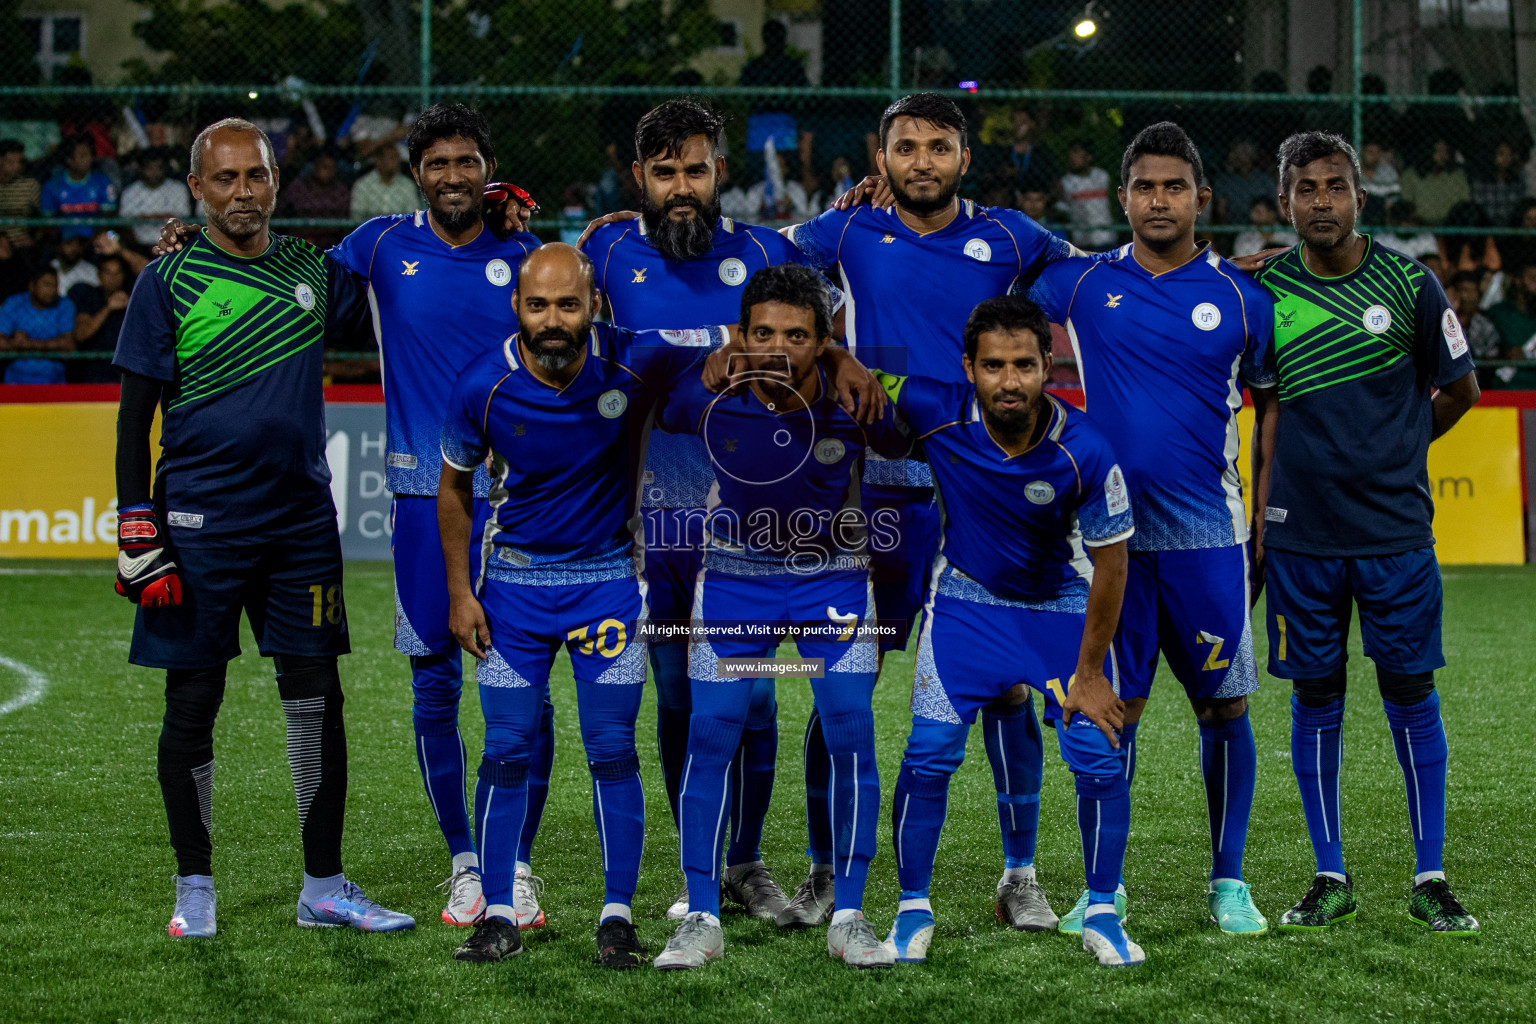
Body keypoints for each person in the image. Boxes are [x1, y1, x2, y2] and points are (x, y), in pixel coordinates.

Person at [154, 103, 546, 930]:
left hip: (523, 502)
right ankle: (465, 866)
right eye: (436, 163)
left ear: (489, 168)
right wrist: (194, 249)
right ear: (414, 173)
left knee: (523, 691)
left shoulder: (530, 254)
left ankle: (519, 864)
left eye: (467, 162)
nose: (452, 176)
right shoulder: (376, 247)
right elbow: (268, 266)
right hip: (417, 498)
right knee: (434, 687)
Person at [111, 117, 413, 939]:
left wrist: (495, 227)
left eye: (256, 176)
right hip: (196, 527)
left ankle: (323, 886)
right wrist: (135, 527)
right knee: (193, 703)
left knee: (318, 702)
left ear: (277, 181)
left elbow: (406, 280)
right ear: (197, 190)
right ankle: (195, 887)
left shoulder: (308, 268)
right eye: (225, 179)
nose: (242, 192)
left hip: (300, 526)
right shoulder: (166, 281)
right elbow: (133, 418)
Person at [787, 93, 1078, 931]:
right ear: (881, 160)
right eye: (905, 147)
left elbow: (1092, 277)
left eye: (938, 146)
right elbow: (762, 271)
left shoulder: (1013, 238)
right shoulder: (846, 232)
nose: (922, 162)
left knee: (1010, 689)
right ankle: (819, 867)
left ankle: (1019, 873)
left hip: (980, 500)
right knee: (843, 685)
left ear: (963, 157)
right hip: (869, 496)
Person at [581, 99, 852, 924]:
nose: (682, 187)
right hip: (654, 526)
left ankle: (745, 860)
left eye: (695, 169)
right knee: (674, 698)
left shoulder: (771, 253)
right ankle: (698, 860)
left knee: (759, 700)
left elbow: (828, 335)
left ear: (720, 171)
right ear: (639, 180)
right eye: (664, 173)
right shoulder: (605, 252)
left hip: (750, 525)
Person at [436, 244, 724, 969]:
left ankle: (616, 918)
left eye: (569, 304)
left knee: (611, 751)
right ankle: (498, 913)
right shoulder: (482, 384)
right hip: (513, 590)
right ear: (517, 308)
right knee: (505, 750)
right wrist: (460, 592)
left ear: (595, 305)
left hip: (606, 586)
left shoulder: (636, 358)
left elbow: (734, 339)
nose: (554, 320)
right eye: (539, 305)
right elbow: (453, 489)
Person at [1027, 121, 1276, 937]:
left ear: (1203, 197)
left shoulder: (1248, 299)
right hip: (1113, 549)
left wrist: (1266, 526)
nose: (1159, 200)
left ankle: (1229, 883)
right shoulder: (1082, 284)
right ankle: (1105, 891)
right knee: (1109, 710)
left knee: (1226, 711)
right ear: (1121, 197)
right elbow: (986, 270)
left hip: (1210, 543)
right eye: (1144, 187)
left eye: (1174, 186)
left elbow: (1271, 417)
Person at [1253, 131, 1481, 936]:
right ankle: (1330, 873)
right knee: (1316, 699)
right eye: (1305, 188)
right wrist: (1259, 525)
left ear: (1360, 195)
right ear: (1284, 202)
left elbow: (1461, 390)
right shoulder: (1267, 290)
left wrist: (1399, 447)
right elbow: (1268, 418)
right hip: (1302, 538)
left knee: (1410, 693)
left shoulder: (1411, 284)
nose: (1321, 200)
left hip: (1395, 535)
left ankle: (1431, 874)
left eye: (1335, 186)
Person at [652, 264, 904, 970]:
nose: (776, 348)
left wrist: (856, 368)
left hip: (835, 580)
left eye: (797, 335)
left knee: (853, 734)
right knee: (711, 738)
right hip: (735, 580)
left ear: (824, 341)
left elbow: (904, 440)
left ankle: (849, 915)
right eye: (761, 332)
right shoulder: (706, 397)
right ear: (741, 334)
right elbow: (651, 403)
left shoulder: (854, 395)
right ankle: (701, 915)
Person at [877, 295, 1141, 967]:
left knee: (1100, 757)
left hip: (1056, 609)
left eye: (1025, 365)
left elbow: (1112, 568)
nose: (1010, 382)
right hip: (965, 606)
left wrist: (1087, 673)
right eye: (993, 366)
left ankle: (1103, 912)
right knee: (929, 753)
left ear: (1047, 365)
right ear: (969, 367)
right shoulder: (934, 411)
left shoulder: (1086, 448)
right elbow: (849, 373)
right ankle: (911, 911)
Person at [0, 263, 76, 383]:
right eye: (47, 285)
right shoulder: (14, 303)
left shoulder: (64, 305)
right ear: (32, 286)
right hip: (15, 381)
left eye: (55, 286)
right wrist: (52, 344)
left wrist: (27, 344)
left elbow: (68, 345)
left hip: (53, 381)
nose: (52, 291)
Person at [39, 135, 116, 240]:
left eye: (89, 155)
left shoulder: (103, 182)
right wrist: (63, 242)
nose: (89, 159)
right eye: (83, 156)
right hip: (64, 240)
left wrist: (93, 240)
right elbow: (48, 220)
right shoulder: (52, 185)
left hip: (95, 238)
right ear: (69, 160)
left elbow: (108, 216)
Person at [69, 252, 130, 382]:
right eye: (108, 272)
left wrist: (131, 308)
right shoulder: (89, 297)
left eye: (117, 273)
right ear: (99, 275)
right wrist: (108, 308)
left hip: (125, 366)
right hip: (93, 365)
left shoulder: (132, 297)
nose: (113, 278)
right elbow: (81, 335)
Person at [119, 148, 192, 249]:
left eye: (159, 168)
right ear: (141, 169)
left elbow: (183, 223)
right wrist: (137, 246)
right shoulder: (130, 192)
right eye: (150, 168)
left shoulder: (178, 189)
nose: (155, 172)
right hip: (139, 246)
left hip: (173, 245)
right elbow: (125, 227)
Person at [279, 146, 351, 248]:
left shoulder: (340, 191)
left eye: (332, 167)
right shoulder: (299, 186)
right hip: (298, 243)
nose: (329, 171)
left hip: (330, 245)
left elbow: (342, 224)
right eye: (325, 167)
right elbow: (283, 212)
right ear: (314, 167)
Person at [1399, 140, 1470, 226]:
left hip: (1449, 227)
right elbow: (1407, 204)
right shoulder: (1410, 175)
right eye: (1439, 152)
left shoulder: (1457, 175)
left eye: (1446, 152)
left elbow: (1464, 203)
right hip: (1420, 227)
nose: (1444, 156)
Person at [1059, 142, 1116, 249]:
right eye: (1071, 153)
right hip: (1082, 240)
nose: (1072, 157)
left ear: (1088, 157)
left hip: (1106, 237)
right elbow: (1062, 208)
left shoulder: (1101, 176)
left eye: (1076, 153)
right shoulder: (1066, 181)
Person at [349, 141, 419, 220]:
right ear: (379, 161)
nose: (397, 161)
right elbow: (357, 217)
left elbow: (412, 217)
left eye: (397, 157)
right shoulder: (363, 185)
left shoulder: (407, 185)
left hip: (399, 230)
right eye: (392, 158)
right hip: (372, 230)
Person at [1213, 139, 1272, 226]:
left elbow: (1273, 207)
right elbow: (1221, 211)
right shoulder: (1224, 180)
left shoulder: (1264, 179)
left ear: (1247, 156)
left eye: (1235, 153)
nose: (1230, 157)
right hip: (1233, 227)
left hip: (1261, 225)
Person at [1470, 141, 1525, 229]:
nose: (1506, 158)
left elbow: (1520, 208)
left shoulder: (1517, 182)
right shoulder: (1482, 181)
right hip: (1486, 228)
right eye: (1501, 154)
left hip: (1511, 228)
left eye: (1509, 155)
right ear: (1493, 155)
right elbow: (1479, 207)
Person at [0, 139, 40, 249]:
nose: (17, 166)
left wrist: (35, 240)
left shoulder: (29, 185)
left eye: (20, 162)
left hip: (21, 245)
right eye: (11, 162)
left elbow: (45, 217)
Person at [1232, 196, 1298, 258]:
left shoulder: (1288, 234)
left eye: (1259, 212)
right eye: (1253, 211)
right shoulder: (1245, 237)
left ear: (1272, 214)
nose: (1254, 215)